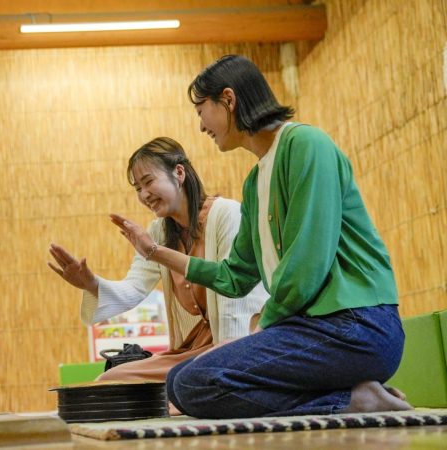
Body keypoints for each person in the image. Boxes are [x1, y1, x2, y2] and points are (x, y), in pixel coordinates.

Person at [110, 55, 412, 418]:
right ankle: (349, 396)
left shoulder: (306, 145)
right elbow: (234, 276)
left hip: (359, 326)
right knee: (180, 381)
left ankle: (348, 401)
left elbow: (306, 265)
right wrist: (154, 251)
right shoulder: (254, 183)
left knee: (194, 383)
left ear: (228, 99)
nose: (201, 125)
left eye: (201, 110)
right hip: (312, 330)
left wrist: (261, 328)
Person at [48, 137, 268, 398]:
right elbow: (134, 289)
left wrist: (226, 368)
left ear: (179, 173)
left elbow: (236, 304)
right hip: (195, 349)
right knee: (110, 381)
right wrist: (91, 284)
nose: (144, 195)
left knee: (184, 384)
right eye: (138, 188)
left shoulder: (226, 214)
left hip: (239, 344)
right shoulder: (159, 232)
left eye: (148, 181)